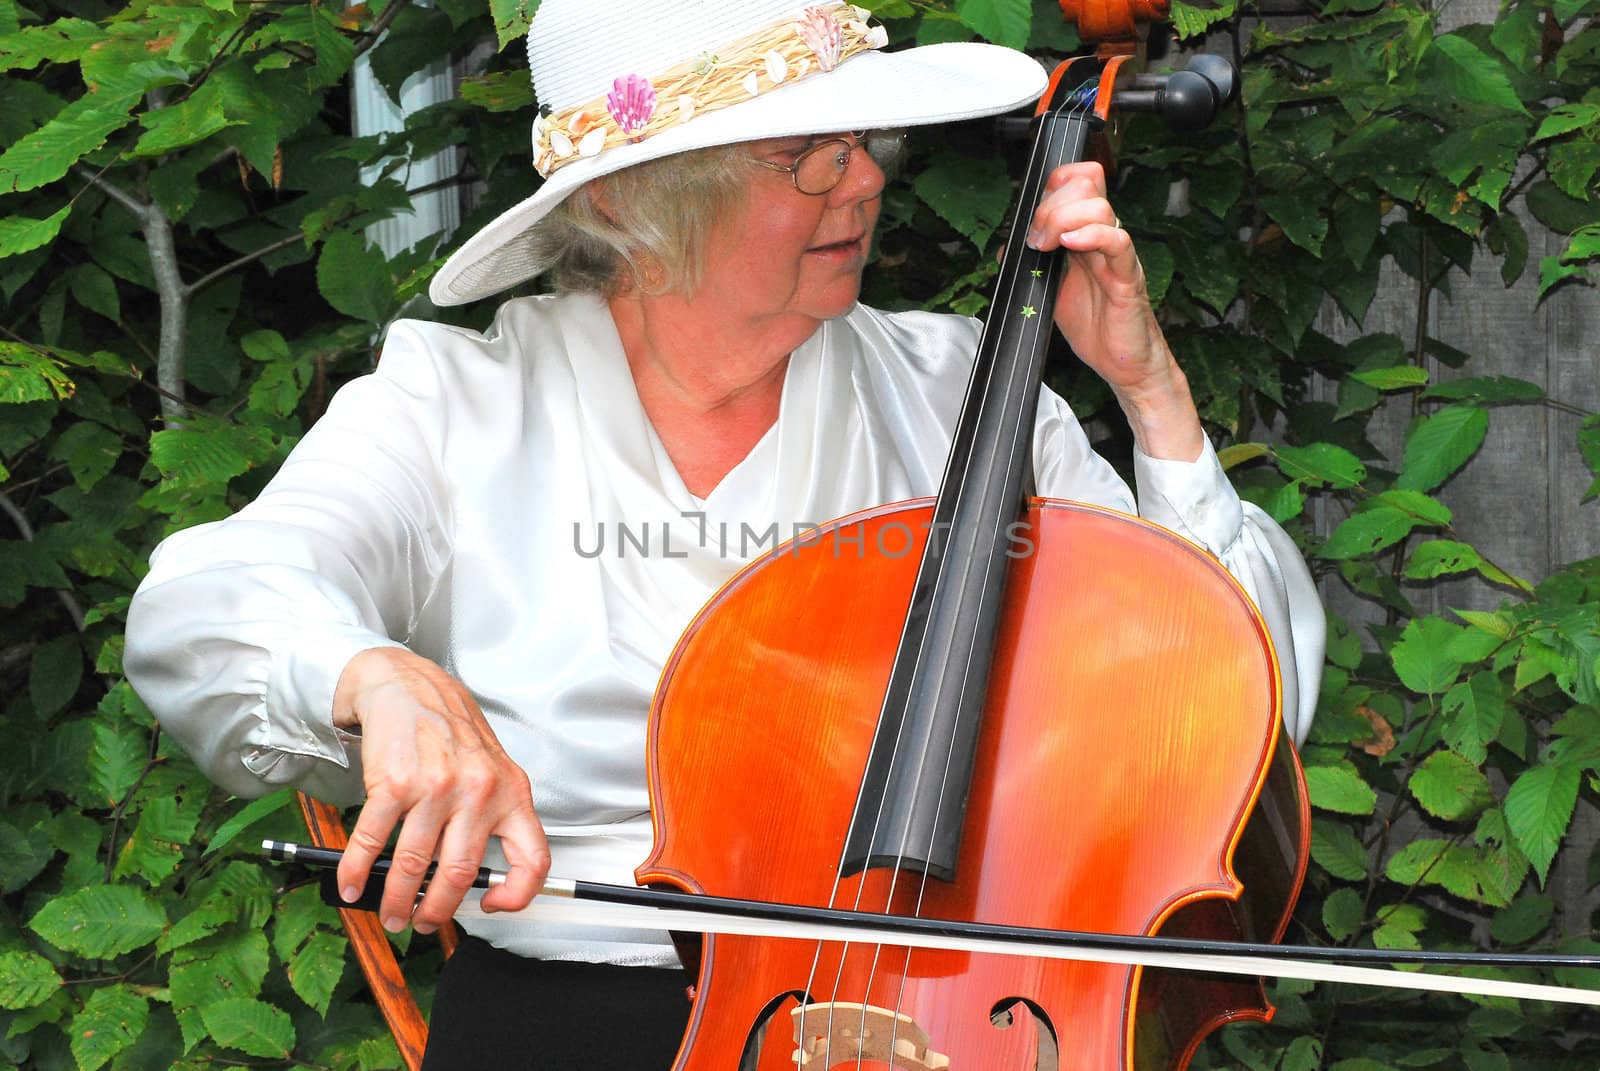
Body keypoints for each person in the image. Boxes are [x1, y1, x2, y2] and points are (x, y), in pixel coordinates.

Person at [124, 1, 1325, 1066]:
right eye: (803, 152)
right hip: (569, 1023)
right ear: (631, 201)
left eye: (864, 141)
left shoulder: (958, 387)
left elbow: (1221, 710)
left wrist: (1147, 393)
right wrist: (372, 676)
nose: (860, 179)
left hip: (952, 1016)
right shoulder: (459, 406)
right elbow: (208, 601)